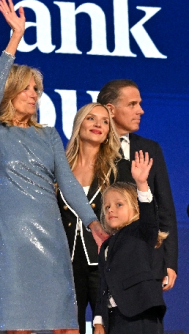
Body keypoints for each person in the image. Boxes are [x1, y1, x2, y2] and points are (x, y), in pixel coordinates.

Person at [0, 0, 108, 333]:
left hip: (50, 236)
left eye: (37, 89)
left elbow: (66, 182)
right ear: (12, 91)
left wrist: (93, 223)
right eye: (27, 88)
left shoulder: (48, 136)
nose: (34, 94)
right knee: (19, 328)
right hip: (10, 241)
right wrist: (14, 38)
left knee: (66, 325)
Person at [57, 103, 133, 334]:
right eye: (91, 119)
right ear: (79, 124)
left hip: (105, 260)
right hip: (65, 263)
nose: (98, 124)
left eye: (105, 121)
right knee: (67, 327)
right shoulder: (59, 167)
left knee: (107, 325)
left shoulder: (120, 168)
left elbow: (130, 217)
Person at [97, 80, 178, 292]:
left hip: (145, 260)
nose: (140, 110)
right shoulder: (91, 148)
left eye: (140, 104)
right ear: (111, 110)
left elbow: (165, 209)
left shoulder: (150, 148)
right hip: (101, 258)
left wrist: (169, 262)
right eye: (132, 104)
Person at [93, 152, 167, 334]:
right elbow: (104, 285)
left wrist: (142, 184)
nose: (111, 210)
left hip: (140, 313)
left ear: (135, 206)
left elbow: (149, 217)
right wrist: (99, 321)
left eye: (119, 204)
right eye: (107, 207)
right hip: (115, 319)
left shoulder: (140, 231)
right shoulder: (105, 247)